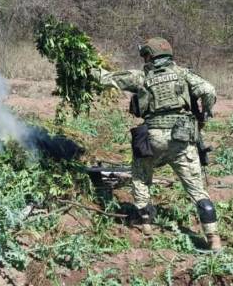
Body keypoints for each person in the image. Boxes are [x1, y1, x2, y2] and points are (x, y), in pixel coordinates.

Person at [94, 38, 221, 251]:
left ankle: (146, 225)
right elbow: (208, 90)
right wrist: (205, 115)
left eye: (145, 55)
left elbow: (105, 79)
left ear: (149, 56)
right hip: (181, 140)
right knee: (197, 191)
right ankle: (213, 239)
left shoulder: (141, 76)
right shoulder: (184, 74)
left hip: (152, 138)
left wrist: (89, 67)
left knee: (141, 177)